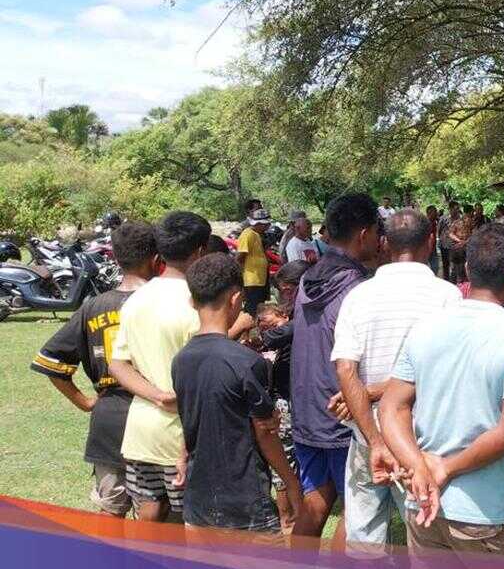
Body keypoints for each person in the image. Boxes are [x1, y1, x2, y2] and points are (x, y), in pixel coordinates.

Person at [377, 224, 504, 569]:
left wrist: (417, 466)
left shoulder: (426, 328)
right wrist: (444, 468)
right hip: (487, 512)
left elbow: (391, 405)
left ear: (468, 269)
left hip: (425, 504)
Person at [328, 208, 461, 552]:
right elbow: (441, 369)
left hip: (366, 436)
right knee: (427, 538)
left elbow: (345, 370)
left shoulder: (359, 296)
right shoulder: (447, 297)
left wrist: (375, 440)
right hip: (422, 439)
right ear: (431, 242)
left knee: (364, 540)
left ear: (385, 243)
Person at [30, 221, 158, 518]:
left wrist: (85, 401)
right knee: (158, 514)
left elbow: (51, 361)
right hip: (155, 416)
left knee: (110, 508)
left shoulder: (93, 306)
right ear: (157, 258)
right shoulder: (165, 304)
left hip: (109, 419)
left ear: (115, 258)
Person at [172, 253, 301, 534]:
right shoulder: (246, 361)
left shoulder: (181, 359)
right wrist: (291, 482)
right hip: (246, 503)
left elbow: (190, 417)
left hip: (198, 502)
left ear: (192, 301)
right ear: (235, 299)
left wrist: (181, 458)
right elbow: (265, 433)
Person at [289, 193, 381, 543]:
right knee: (356, 510)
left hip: (308, 412)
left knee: (316, 501)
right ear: (363, 234)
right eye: (376, 231)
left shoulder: (307, 278)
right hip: (343, 413)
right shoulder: (357, 289)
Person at [109, 211, 210, 522]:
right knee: (190, 523)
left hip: (142, 432)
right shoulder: (198, 303)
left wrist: (155, 395)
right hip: (183, 436)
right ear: (201, 252)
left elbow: (117, 363)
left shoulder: (136, 300)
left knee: (149, 514)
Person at [258, 260, 311, 532]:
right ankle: (290, 516)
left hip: (292, 402)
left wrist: (259, 336)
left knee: (286, 463)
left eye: (284, 291)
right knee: (288, 463)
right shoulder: (302, 314)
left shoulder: (303, 316)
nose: (282, 298)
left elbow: (283, 333)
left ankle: (289, 518)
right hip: (290, 400)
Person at [237, 208, 273, 315]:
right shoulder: (247, 234)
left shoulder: (256, 235)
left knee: (259, 306)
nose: (267, 226)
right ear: (259, 224)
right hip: (252, 279)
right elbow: (240, 256)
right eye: (265, 224)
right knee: (252, 307)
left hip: (259, 278)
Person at [448, 206, 475, 284]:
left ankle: (454, 285)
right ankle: (462, 286)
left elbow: (450, 234)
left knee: (455, 269)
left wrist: (459, 241)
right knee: (464, 268)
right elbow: (474, 235)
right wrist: (464, 242)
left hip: (457, 247)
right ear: (470, 212)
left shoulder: (457, 221)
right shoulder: (471, 222)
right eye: (472, 212)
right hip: (464, 248)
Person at [437, 201, 460, 281]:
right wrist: (441, 239)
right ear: (450, 209)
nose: (457, 210)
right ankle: (446, 280)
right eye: (456, 208)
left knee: (454, 265)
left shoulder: (459, 218)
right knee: (445, 264)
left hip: (454, 245)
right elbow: (439, 230)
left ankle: (453, 281)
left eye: (458, 208)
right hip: (444, 245)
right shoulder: (443, 218)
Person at [425, 205, 442, 275]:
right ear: (430, 213)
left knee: (435, 268)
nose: (437, 213)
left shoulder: (434, 222)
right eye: (435, 212)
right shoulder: (426, 223)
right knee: (432, 267)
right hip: (427, 249)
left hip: (433, 248)